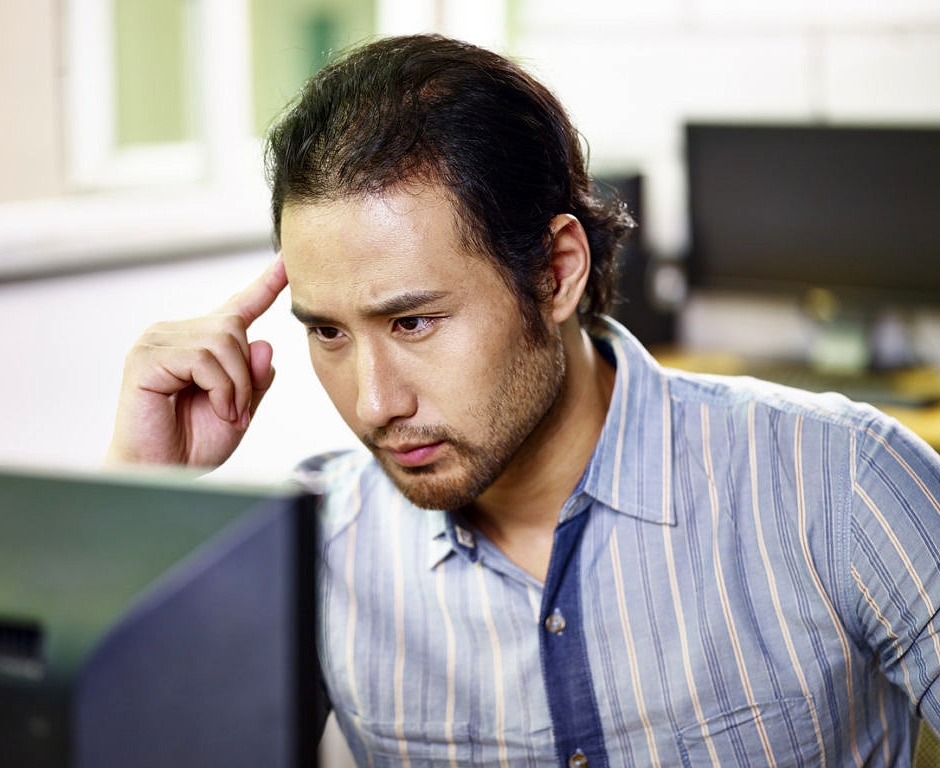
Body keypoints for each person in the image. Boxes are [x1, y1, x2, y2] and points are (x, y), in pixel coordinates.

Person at [107, 33, 940, 767]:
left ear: (556, 272)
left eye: (414, 321)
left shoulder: (843, 485)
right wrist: (131, 498)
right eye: (327, 332)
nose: (372, 402)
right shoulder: (316, 547)